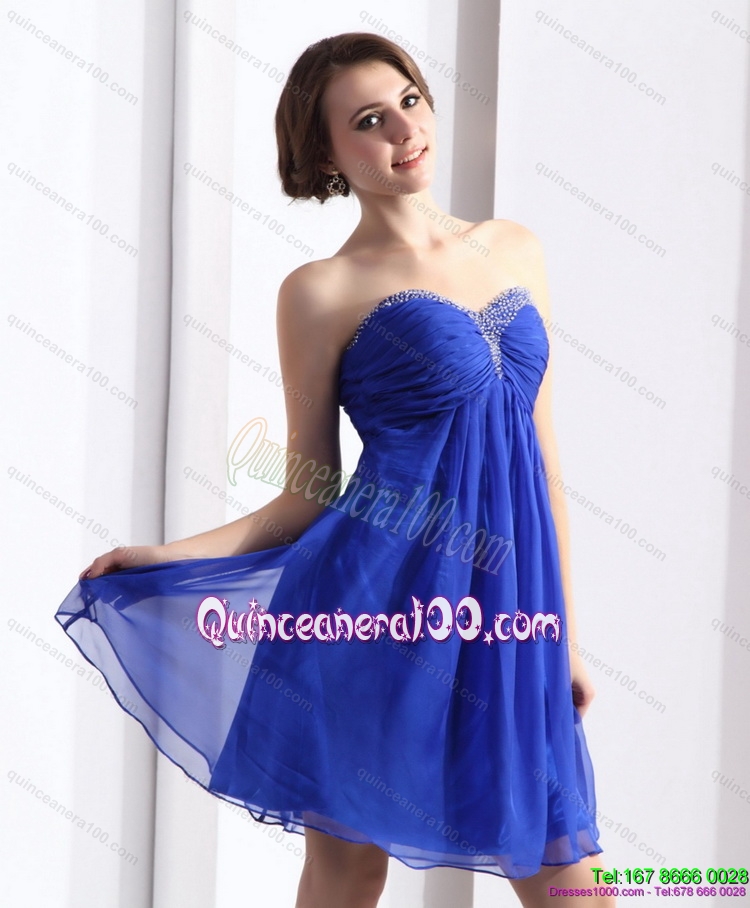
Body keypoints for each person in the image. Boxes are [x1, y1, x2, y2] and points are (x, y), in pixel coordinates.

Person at [57, 32, 616, 908]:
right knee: (350, 870)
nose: (403, 130)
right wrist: (165, 556)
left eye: (410, 101)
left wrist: (564, 635)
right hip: (372, 609)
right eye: (368, 121)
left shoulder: (514, 248)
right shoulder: (319, 291)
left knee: (563, 872)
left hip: (507, 621)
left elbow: (544, 469)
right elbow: (306, 490)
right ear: (325, 154)